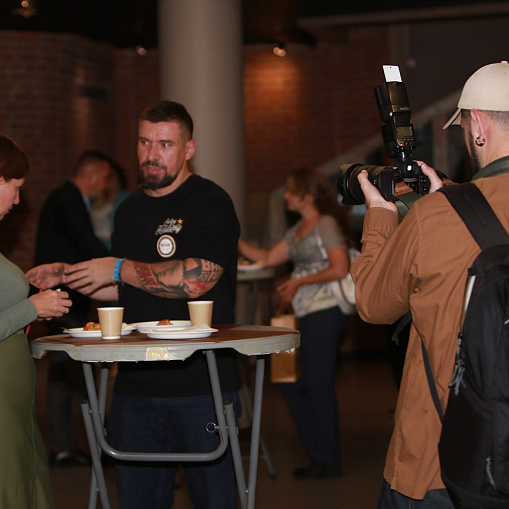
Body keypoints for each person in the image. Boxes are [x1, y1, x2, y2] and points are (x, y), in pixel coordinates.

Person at [28, 100, 242, 509]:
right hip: (135, 385)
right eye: (144, 142)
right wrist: (68, 274)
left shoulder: (209, 201)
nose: (151, 154)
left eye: (165, 144)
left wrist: (119, 267)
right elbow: (124, 288)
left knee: (215, 500)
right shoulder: (129, 211)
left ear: (188, 149)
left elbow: (197, 281)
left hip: (201, 383)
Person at [350, 60, 509, 508]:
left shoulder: (437, 217)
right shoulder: (446, 209)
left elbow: (372, 304)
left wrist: (381, 217)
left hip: (441, 464)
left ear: (477, 125)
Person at [238, 167, 353, 479]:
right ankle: (321, 456)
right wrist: (232, 237)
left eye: (291, 191)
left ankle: (327, 460)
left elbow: (340, 268)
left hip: (327, 311)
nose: (286, 196)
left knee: (317, 386)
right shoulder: (299, 229)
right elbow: (266, 257)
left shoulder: (325, 224)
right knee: (295, 385)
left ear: (309, 195)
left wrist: (299, 282)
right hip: (309, 313)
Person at [0, 133, 72, 508]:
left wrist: (26, 287)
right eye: (15, 186)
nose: (17, 198)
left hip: (11, 404)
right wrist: (34, 308)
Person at [34, 150, 111, 467]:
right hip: (60, 301)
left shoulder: (65, 198)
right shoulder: (68, 198)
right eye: (105, 177)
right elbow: (84, 241)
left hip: (60, 300)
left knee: (62, 371)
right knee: (82, 371)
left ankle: (63, 445)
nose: (106, 186)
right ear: (90, 175)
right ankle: (103, 445)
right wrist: (117, 264)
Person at [90, 159, 130, 250]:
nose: (108, 182)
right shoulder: (95, 198)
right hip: (93, 248)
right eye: (105, 178)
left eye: (111, 177)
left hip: (113, 249)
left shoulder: (126, 199)